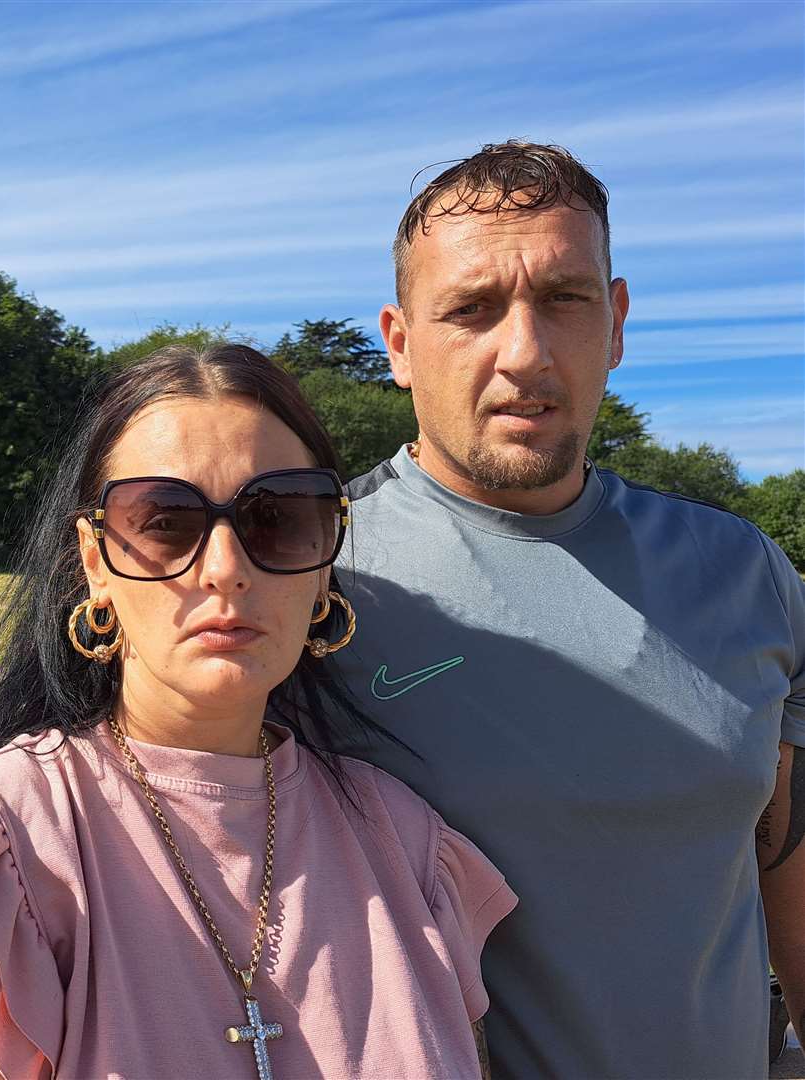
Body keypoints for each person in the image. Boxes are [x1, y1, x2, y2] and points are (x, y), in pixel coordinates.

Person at [0, 344, 516, 1079]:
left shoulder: (407, 847)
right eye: (167, 521)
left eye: (278, 518)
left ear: (325, 558)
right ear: (94, 561)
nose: (227, 567)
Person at [326, 140, 805, 1078]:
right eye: (469, 310)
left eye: (565, 300)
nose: (526, 354)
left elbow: (782, 859)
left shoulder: (743, 572)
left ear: (617, 322)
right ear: (399, 344)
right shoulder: (314, 578)